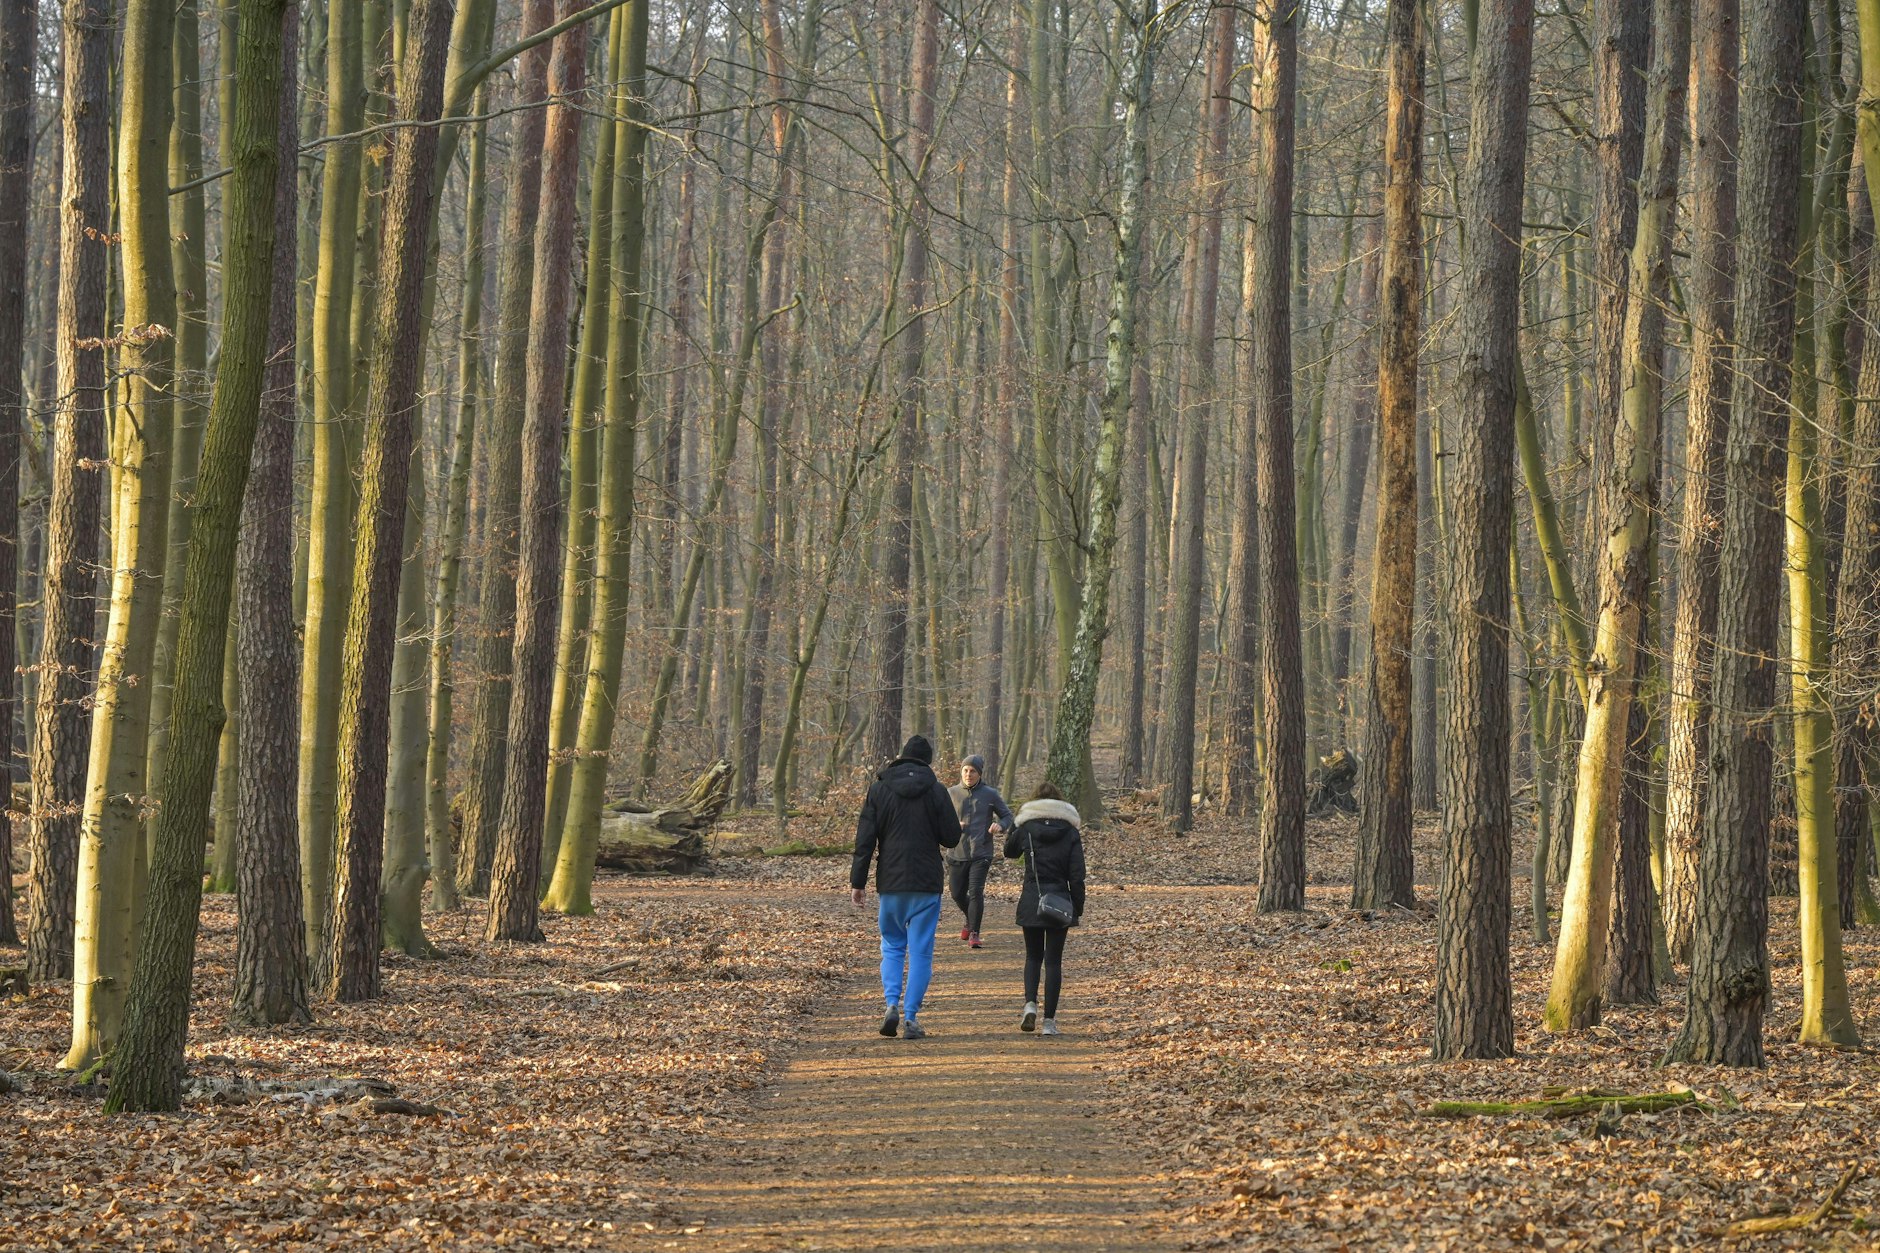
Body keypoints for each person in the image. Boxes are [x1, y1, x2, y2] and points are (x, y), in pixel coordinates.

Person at [850, 735, 962, 1040]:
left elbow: (865, 840)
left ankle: (890, 1005)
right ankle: (911, 1017)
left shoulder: (879, 789)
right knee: (921, 952)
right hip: (926, 883)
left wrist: (857, 882)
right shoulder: (936, 791)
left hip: (891, 881)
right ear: (927, 761)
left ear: (901, 757)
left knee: (892, 946)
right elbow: (952, 837)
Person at [1003, 782, 1087, 1037]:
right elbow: (1077, 875)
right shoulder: (1071, 832)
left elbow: (1008, 851)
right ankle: (1049, 1022)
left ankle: (1030, 1003)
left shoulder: (1027, 827)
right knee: (1053, 961)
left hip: (1032, 899)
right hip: (1060, 901)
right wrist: (1077, 907)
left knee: (1032, 957)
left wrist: (1015, 825)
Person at [946, 754, 1014, 949]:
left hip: (981, 851)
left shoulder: (990, 794)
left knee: (976, 891)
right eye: (965, 770)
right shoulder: (951, 793)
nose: (968, 774)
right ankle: (970, 917)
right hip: (956, 851)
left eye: (973, 771)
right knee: (957, 894)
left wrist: (1000, 825)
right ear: (961, 772)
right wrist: (952, 825)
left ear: (979, 774)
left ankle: (974, 932)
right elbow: (939, 819)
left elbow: (1007, 816)